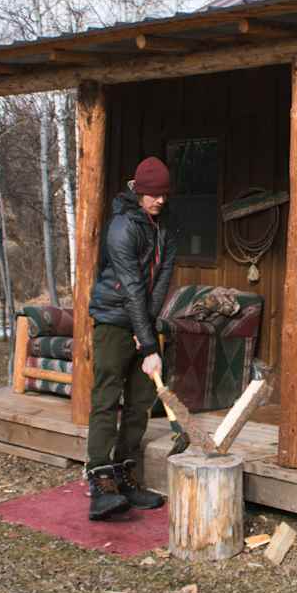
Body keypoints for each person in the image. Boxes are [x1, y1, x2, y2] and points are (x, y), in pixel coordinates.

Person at [85, 156, 177, 519]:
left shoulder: (166, 227)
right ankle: (100, 480)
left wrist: (148, 330)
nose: (159, 201)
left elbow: (162, 281)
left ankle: (125, 474)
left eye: (164, 195)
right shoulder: (122, 227)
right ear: (138, 192)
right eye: (153, 195)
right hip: (112, 319)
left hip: (141, 320)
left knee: (139, 401)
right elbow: (132, 289)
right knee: (107, 396)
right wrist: (148, 343)